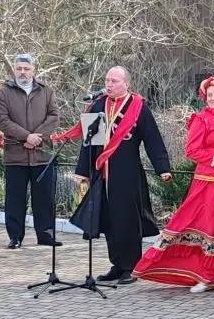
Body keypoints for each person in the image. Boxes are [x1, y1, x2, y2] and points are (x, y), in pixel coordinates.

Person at [134, 77, 214, 294]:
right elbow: (192, 151)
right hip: (211, 183)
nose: (213, 98)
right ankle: (206, 276)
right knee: (209, 225)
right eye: (209, 95)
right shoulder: (201, 120)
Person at [74, 66, 173, 285]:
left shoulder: (138, 107)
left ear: (126, 84)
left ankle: (132, 266)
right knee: (109, 220)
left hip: (127, 173)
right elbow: (88, 143)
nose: (109, 85)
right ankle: (117, 265)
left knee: (127, 219)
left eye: (114, 81)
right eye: (107, 80)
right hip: (102, 174)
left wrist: (162, 167)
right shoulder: (97, 105)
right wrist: (82, 171)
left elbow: (152, 139)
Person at [0, 54, 60, 249]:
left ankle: (46, 235)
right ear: (14, 70)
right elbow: (2, 120)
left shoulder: (46, 91)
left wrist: (36, 137)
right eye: (19, 68)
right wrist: (26, 136)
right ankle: (15, 237)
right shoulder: (4, 92)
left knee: (45, 198)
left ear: (33, 71)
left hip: (42, 155)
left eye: (26, 69)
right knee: (15, 199)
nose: (23, 72)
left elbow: (54, 117)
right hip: (16, 155)